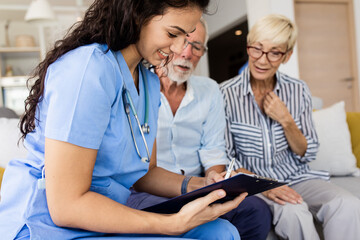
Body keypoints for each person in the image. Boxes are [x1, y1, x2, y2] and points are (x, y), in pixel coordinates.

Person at [0, 1, 249, 239]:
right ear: (137, 14)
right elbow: (66, 205)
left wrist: (199, 184)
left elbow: (144, 173)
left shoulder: (149, 82)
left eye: (187, 36)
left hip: (101, 214)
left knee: (222, 231)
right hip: (48, 224)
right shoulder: (88, 70)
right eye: (173, 34)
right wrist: (171, 224)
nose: (179, 48)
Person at [126, 18, 272, 240]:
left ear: (202, 52)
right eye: (182, 42)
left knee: (256, 210)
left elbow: (213, 150)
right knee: (173, 214)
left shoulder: (210, 90)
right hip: (147, 190)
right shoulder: (140, 87)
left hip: (198, 186)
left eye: (196, 47)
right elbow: (137, 168)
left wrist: (214, 177)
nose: (186, 53)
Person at [220, 14, 360, 240]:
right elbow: (226, 160)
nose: (263, 60)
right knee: (294, 213)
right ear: (248, 47)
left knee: (348, 204)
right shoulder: (224, 94)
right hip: (256, 182)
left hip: (299, 177)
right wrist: (264, 186)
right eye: (257, 48)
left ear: (286, 56)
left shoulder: (298, 90)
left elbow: (307, 152)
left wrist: (286, 120)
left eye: (274, 52)